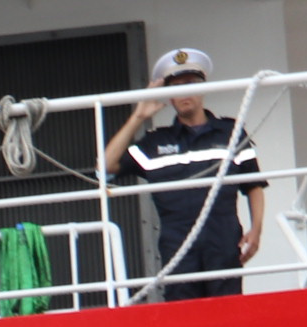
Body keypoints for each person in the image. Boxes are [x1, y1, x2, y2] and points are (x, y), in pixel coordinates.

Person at [100, 48, 265, 301]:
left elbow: (253, 184)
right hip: (177, 244)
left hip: (223, 238)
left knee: (229, 312)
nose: (183, 92)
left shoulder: (230, 132)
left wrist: (256, 230)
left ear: (202, 88)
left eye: (189, 83)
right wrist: (138, 116)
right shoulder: (154, 143)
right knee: (183, 316)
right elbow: (105, 167)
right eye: (175, 87)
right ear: (169, 97)